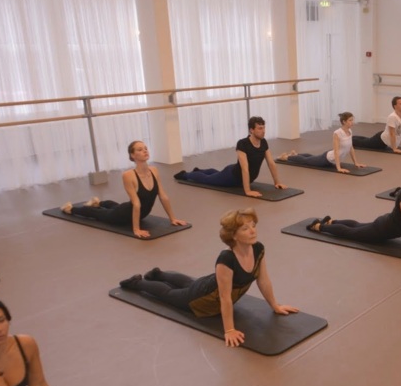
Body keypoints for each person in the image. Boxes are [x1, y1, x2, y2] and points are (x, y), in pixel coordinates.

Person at [119, 208, 297, 347]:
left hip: (208, 284)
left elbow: (263, 280)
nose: (252, 231)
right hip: (203, 299)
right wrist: (229, 330)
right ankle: (137, 282)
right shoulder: (226, 259)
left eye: (253, 225)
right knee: (169, 294)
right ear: (234, 236)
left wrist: (275, 306)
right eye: (245, 228)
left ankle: (158, 274)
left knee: (190, 283)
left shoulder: (258, 248)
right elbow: (225, 297)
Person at [308, 160, 401, 260]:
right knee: (351, 233)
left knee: (358, 225)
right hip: (382, 230)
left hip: (387, 225)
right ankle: (319, 226)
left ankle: (332, 221)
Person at [62, 140, 186, 238]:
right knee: (97, 213)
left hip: (138, 213)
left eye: (145, 148)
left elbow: (163, 196)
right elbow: (136, 203)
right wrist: (136, 229)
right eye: (140, 150)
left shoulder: (154, 170)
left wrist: (173, 219)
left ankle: (98, 202)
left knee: (116, 205)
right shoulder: (128, 175)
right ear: (132, 155)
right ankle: (70, 209)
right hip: (121, 216)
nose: (145, 151)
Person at [173, 116, 286, 198]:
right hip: (232, 177)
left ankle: (199, 170)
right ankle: (185, 174)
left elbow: (271, 163)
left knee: (216, 174)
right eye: (260, 128)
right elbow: (245, 168)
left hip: (239, 175)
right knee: (207, 180)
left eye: (264, 128)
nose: (263, 131)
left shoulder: (263, 142)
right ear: (251, 130)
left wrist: (277, 182)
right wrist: (247, 191)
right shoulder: (242, 144)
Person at [279, 112, 365, 174]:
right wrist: (338, 168)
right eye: (350, 120)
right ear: (344, 122)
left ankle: (296, 154)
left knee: (312, 157)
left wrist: (356, 163)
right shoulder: (337, 133)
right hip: (327, 159)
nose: (352, 122)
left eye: (352, 120)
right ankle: (286, 157)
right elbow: (336, 151)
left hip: (331, 159)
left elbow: (351, 148)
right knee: (307, 160)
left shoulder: (350, 131)